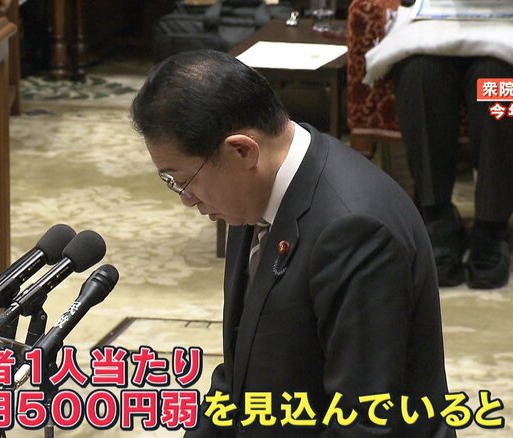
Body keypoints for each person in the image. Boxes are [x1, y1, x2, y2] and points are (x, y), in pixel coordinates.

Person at [131, 49, 455, 437]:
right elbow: (242, 372)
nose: (186, 199)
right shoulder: (253, 193)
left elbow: (364, 424)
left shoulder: (355, 230)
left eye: (183, 180)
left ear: (242, 150)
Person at [391, 0, 513, 289]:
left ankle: (492, 227)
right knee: (420, 71)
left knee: (497, 78)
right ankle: (437, 218)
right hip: (440, 22)